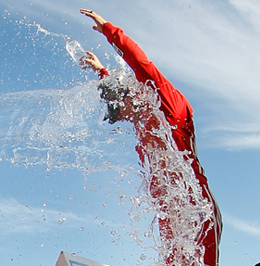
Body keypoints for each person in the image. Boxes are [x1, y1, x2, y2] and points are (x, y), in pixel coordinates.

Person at [80, 8, 222, 266]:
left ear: (128, 98)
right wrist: (102, 71)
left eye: (116, 109)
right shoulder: (141, 119)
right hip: (171, 214)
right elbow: (121, 92)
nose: (119, 117)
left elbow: (142, 66)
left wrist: (111, 33)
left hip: (196, 211)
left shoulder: (169, 107)